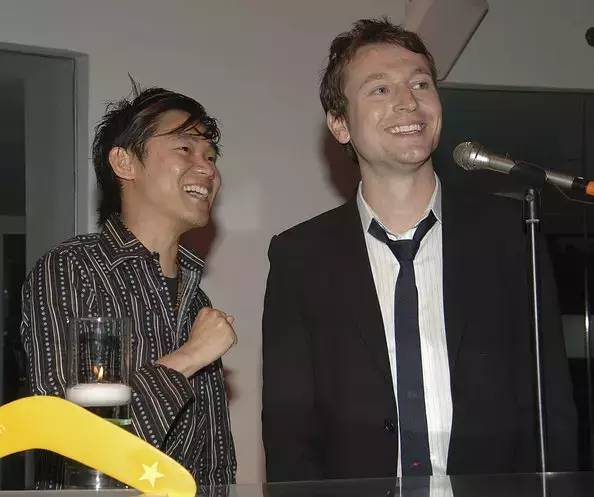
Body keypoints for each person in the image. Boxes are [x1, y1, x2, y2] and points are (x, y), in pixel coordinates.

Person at [262, 18, 577, 482]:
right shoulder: (300, 257)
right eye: (380, 89)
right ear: (339, 124)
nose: (408, 101)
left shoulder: (511, 234)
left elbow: (552, 409)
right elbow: (289, 434)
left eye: (421, 84)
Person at [20, 86, 237, 487]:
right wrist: (189, 357)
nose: (208, 169)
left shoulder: (196, 302)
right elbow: (69, 440)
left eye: (211, 156)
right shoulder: (71, 268)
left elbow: (214, 462)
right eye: (185, 148)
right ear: (124, 162)